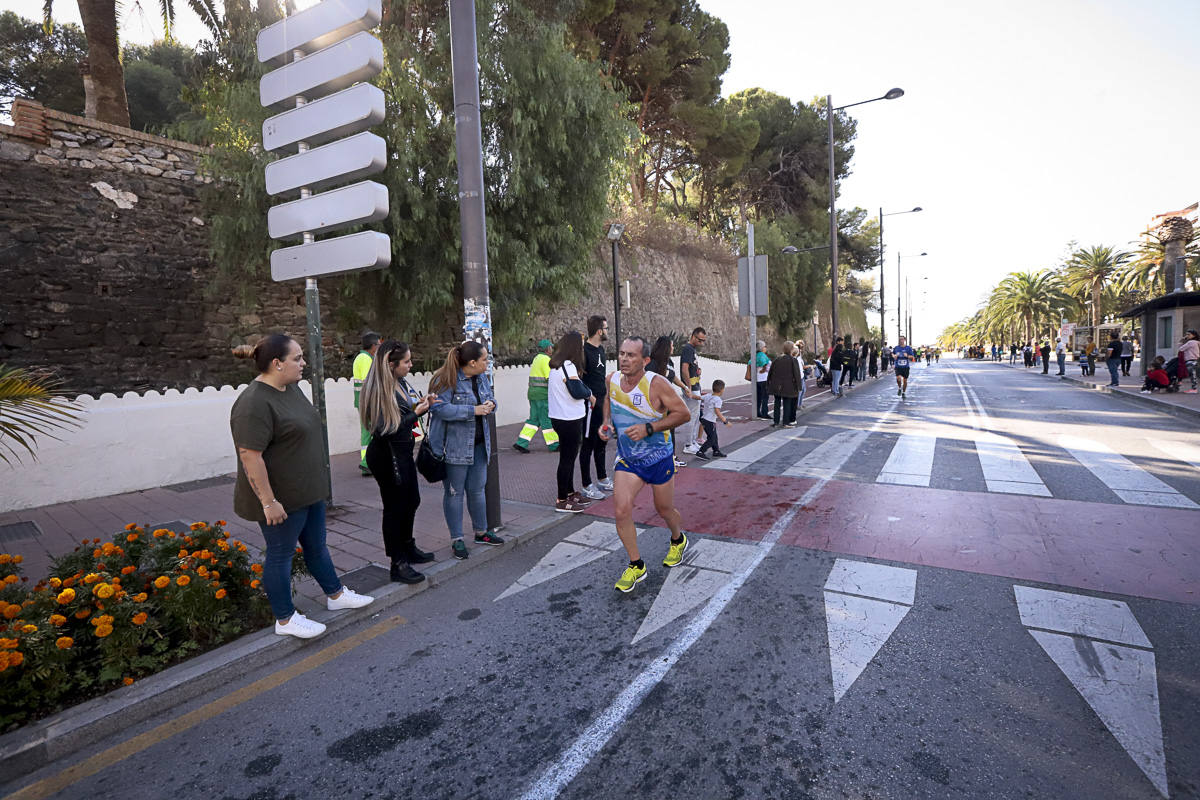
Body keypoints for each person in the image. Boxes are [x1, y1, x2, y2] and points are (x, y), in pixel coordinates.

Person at [231, 334, 374, 639]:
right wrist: (268, 502)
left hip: (308, 491)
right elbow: (249, 455)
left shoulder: (291, 388)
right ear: (277, 363)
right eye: (297, 358)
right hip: (281, 499)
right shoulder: (253, 402)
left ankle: (336, 595)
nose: (303, 363)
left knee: (316, 546)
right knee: (281, 554)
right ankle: (285, 619)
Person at [600, 337, 691, 593]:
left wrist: (649, 427)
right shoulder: (612, 380)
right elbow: (608, 399)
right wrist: (606, 422)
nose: (624, 359)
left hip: (658, 458)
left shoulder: (657, 384)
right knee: (621, 510)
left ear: (645, 360)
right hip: (628, 460)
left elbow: (683, 414)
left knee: (664, 509)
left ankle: (678, 539)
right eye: (621, 353)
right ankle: (636, 565)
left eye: (631, 355)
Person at [359, 340, 439, 584]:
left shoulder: (400, 382)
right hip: (387, 455)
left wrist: (421, 405)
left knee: (412, 500)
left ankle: (408, 547)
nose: (411, 365)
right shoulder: (379, 390)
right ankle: (398, 562)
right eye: (406, 362)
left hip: (402, 451)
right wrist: (417, 413)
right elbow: (386, 429)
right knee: (395, 508)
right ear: (391, 365)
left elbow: (403, 413)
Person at [428, 340, 503, 560]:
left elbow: (491, 399)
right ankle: (457, 539)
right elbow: (440, 408)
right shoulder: (446, 379)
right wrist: (474, 410)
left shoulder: (481, 378)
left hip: (480, 446)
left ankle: (481, 532)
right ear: (472, 362)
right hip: (455, 447)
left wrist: (491, 405)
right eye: (484, 359)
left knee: (477, 490)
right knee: (454, 493)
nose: (488, 362)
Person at [547, 331, 595, 513]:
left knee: (568, 457)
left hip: (561, 417)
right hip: (569, 418)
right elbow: (577, 390)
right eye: (581, 345)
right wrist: (590, 395)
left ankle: (569, 492)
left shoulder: (558, 366)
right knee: (567, 459)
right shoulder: (568, 366)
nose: (582, 348)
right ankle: (562, 499)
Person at [578, 315, 613, 499]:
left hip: (602, 402)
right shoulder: (584, 352)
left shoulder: (601, 350)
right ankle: (586, 484)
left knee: (602, 440)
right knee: (588, 444)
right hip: (589, 405)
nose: (607, 331)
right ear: (599, 330)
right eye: (606, 328)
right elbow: (579, 380)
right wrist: (590, 398)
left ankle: (603, 478)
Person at [648, 335, 691, 469]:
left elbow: (673, 377)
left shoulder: (669, 362)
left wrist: (684, 387)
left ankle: (670, 457)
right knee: (660, 431)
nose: (673, 348)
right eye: (671, 346)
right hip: (657, 404)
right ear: (666, 347)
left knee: (670, 429)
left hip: (668, 402)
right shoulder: (652, 364)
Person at [512, 339, 559, 453]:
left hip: (533, 394)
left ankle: (521, 443)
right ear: (548, 349)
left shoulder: (537, 359)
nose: (552, 349)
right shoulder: (546, 360)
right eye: (551, 347)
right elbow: (551, 379)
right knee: (547, 420)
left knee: (534, 420)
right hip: (542, 395)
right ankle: (554, 445)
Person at [352, 331, 382, 476]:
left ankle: (368, 462)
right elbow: (368, 383)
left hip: (363, 401)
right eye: (379, 344)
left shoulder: (363, 358)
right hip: (367, 402)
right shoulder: (365, 359)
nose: (380, 346)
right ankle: (366, 463)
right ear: (373, 346)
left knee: (368, 432)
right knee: (369, 432)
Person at [679, 327, 706, 453]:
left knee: (696, 417)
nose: (701, 343)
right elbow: (685, 369)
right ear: (693, 336)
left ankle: (693, 441)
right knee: (692, 416)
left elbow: (690, 368)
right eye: (700, 340)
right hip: (692, 388)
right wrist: (688, 387)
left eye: (703, 341)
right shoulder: (688, 349)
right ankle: (688, 445)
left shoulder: (692, 350)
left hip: (695, 386)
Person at [694, 380, 731, 460]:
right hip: (710, 421)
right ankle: (701, 452)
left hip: (704, 420)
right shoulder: (718, 400)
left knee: (714, 436)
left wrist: (690, 395)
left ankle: (716, 451)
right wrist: (725, 421)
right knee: (711, 439)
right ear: (721, 390)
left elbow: (699, 397)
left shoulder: (708, 395)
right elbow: (717, 411)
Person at [768, 342, 803, 427]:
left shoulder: (777, 359)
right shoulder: (793, 360)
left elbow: (771, 372)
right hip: (788, 386)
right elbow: (797, 374)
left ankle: (776, 422)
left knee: (777, 403)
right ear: (791, 349)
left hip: (777, 386)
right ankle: (785, 423)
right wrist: (799, 386)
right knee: (787, 403)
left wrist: (769, 384)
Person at [749, 339, 771, 419]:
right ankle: (764, 413)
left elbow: (750, 363)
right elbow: (764, 362)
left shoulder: (755, 355)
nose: (766, 348)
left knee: (758, 397)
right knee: (765, 397)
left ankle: (757, 412)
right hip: (764, 379)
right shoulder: (762, 355)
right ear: (762, 348)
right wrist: (764, 368)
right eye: (765, 346)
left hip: (756, 379)